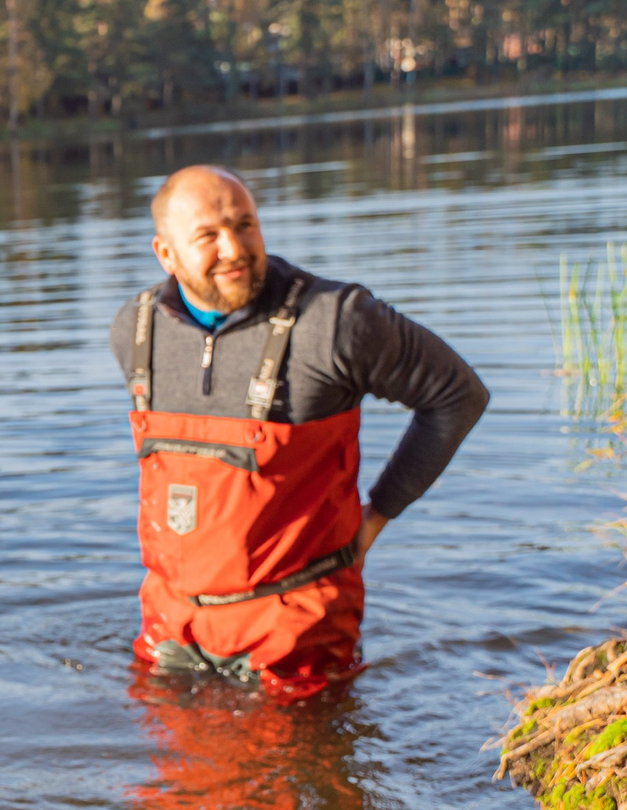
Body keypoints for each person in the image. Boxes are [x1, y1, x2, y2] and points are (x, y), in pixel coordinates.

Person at [109, 165, 488, 697]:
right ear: (165, 254)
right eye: (208, 236)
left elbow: (458, 394)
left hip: (295, 630)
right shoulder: (136, 329)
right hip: (171, 626)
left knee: (298, 776)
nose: (234, 248)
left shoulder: (335, 321)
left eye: (245, 225)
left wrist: (377, 514)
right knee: (168, 779)